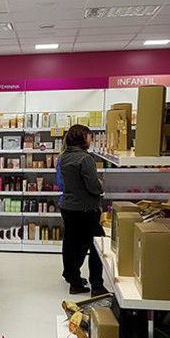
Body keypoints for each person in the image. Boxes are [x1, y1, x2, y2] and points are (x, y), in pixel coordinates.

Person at [58, 124, 108, 295]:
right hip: (85, 208)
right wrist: (100, 184)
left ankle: (74, 281)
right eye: (89, 136)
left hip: (68, 207)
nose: (91, 139)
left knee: (72, 244)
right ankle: (97, 285)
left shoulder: (64, 156)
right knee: (98, 243)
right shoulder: (85, 159)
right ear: (82, 138)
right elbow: (93, 187)